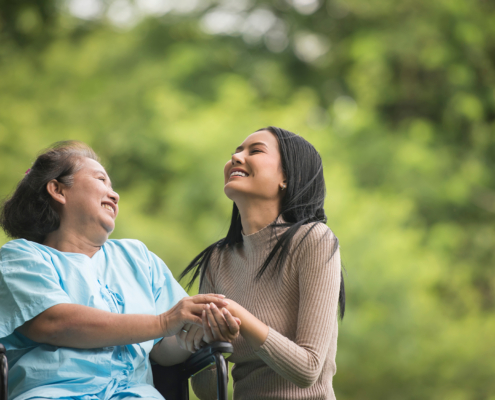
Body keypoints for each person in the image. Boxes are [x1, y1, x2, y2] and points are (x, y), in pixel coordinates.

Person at [0, 141, 237, 400]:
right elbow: (54, 323)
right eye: (101, 180)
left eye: (113, 187)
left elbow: (164, 351)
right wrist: (163, 322)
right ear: (58, 190)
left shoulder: (138, 257)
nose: (114, 195)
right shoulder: (21, 257)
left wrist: (199, 330)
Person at [179, 126, 345, 400]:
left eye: (254, 150)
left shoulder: (313, 240)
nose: (236, 157)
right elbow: (209, 392)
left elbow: (308, 369)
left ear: (288, 178)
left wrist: (237, 314)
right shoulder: (217, 260)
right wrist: (204, 341)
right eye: (236, 150)